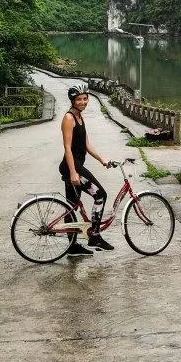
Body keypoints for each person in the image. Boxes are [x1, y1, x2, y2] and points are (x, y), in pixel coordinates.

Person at [59, 84, 115, 257]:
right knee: (100, 195)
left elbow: (86, 145)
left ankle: (72, 247)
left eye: (85, 99)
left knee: (71, 206)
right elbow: (67, 148)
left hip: (74, 166)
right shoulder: (69, 118)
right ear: (72, 101)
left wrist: (102, 160)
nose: (83, 102)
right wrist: (73, 172)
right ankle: (95, 236)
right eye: (79, 99)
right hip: (73, 167)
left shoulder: (80, 117)